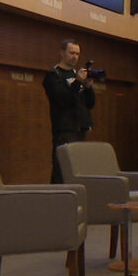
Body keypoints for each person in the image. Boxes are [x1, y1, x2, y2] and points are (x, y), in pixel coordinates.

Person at [44, 39, 96, 183]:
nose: (75, 57)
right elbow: (62, 100)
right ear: (62, 53)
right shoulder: (53, 76)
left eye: (77, 54)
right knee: (62, 170)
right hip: (64, 131)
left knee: (79, 170)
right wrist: (77, 82)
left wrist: (88, 88)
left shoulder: (76, 75)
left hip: (81, 129)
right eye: (71, 53)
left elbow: (89, 104)